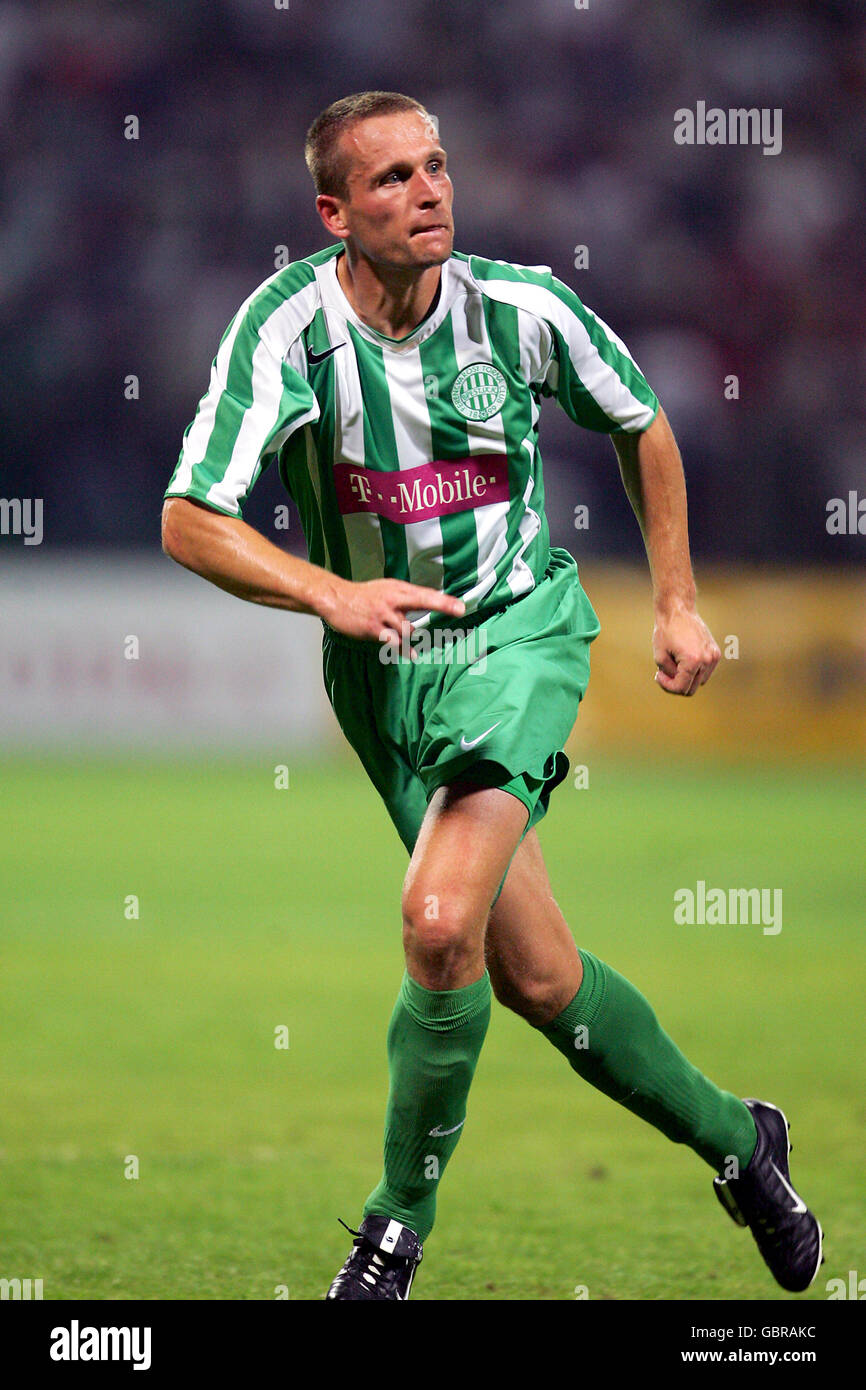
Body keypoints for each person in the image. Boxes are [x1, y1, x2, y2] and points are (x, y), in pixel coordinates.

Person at [161, 91, 822, 1301]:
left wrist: (674, 599)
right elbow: (189, 517)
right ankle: (741, 1143)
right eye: (392, 179)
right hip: (383, 674)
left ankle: (390, 1232)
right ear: (332, 212)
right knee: (533, 977)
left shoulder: (517, 309)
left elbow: (641, 422)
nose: (428, 193)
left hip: (519, 634)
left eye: (437, 168)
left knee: (430, 920)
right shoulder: (286, 332)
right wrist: (327, 592)